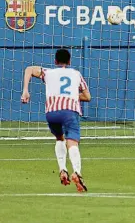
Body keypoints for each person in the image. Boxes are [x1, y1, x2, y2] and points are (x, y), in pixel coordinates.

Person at [21, 49, 91, 192]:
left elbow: (29, 69)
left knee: (60, 138)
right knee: (72, 141)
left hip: (51, 112)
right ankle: (76, 172)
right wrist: (72, 96)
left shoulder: (48, 72)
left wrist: (25, 90)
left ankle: (62, 169)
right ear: (70, 61)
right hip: (69, 112)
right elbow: (87, 96)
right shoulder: (76, 74)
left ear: (55, 62)